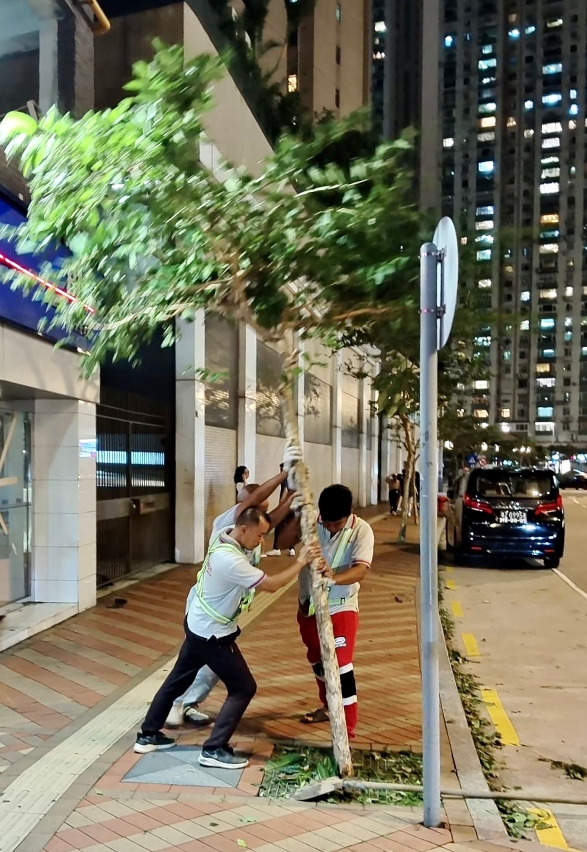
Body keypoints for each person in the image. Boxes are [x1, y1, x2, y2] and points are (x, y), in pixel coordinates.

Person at [134, 507, 321, 769]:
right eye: (259, 535)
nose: (262, 541)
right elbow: (271, 585)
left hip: (197, 623)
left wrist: (289, 501)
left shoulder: (223, 534)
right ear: (244, 529)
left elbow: (261, 528)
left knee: (178, 680)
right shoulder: (230, 560)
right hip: (212, 635)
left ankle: (148, 735)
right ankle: (213, 749)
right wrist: (301, 561)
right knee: (243, 687)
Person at [165, 450, 301, 729]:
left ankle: (185, 704)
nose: (262, 514)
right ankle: (175, 705)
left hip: (222, 614)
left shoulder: (252, 532)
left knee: (207, 666)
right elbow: (254, 500)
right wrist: (284, 474)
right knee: (198, 663)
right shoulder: (226, 524)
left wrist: (291, 498)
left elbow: (270, 520)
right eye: (257, 507)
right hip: (206, 611)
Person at [296, 484, 374, 739]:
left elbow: (361, 570)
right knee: (317, 658)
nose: (330, 528)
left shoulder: (361, 530)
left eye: (337, 524)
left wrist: (334, 578)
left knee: (341, 665)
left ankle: (347, 730)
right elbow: (282, 542)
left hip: (342, 605)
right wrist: (291, 506)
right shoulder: (311, 522)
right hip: (308, 606)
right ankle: (329, 706)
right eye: (327, 522)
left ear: (349, 514)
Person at [266, 464, 296, 557]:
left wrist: (282, 504)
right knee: (290, 526)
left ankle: (276, 549)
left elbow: (285, 490)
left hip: (286, 506)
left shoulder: (285, 478)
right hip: (293, 505)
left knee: (278, 526)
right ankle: (291, 549)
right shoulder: (294, 479)